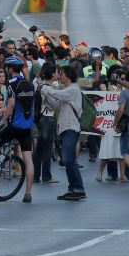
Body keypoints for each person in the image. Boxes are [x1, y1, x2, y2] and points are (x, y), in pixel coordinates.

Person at [43, 64, 87, 201]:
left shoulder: (73, 89)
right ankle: (74, 189)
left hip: (70, 128)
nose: (59, 76)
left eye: (61, 74)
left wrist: (45, 88)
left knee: (68, 159)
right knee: (68, 160)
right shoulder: (68, 90)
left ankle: (78, 188)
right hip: (64, 128)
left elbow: (58, 95)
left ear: (67, 75)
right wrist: (46, 96)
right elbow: (57, 105)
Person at [0, 56, 37, 201]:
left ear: (9, 69)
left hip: (15, 125)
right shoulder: (28, 83)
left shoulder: (11, 84)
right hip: (27, 126)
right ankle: (28, 193)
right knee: (28, 158)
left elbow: (11, 104)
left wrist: (2, 120)